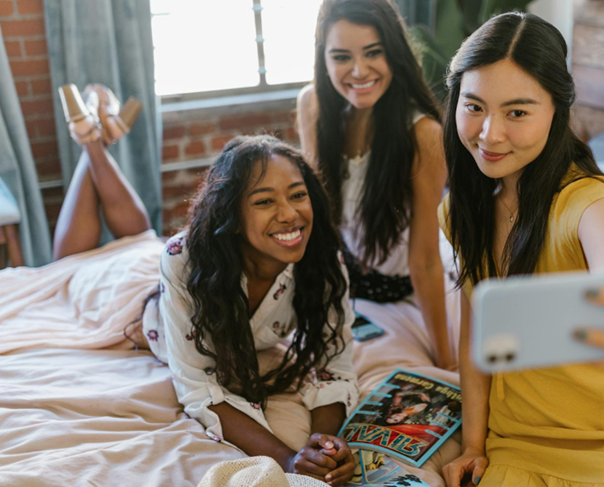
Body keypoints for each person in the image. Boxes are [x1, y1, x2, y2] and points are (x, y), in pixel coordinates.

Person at [1, 89, 360, 485]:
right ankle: (92, 142)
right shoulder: (184, 259)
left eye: (298, 195)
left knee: (138, 234)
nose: (290, 214)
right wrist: (288, 460)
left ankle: (93, 137)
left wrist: (322, 445)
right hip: (127, 291)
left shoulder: (321, 257)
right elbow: (197, 389)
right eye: (264, 202)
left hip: (158, 260)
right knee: (78, 261)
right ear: (233, 215)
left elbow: (334, 363)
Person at [439, 13, 604, 487]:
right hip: (519, 438)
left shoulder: (590, 201)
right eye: (474, 106)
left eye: (517, 112)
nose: (490, 133)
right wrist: (474, 443)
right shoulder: (463, 209)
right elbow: (476, 337)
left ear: (557, 111)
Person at [296, 0, 456, 370]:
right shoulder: (313, 106)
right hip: (341, 278)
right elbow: (316, 218)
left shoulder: (423, 135)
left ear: (394, 54)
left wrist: (445, 360)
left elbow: (424, 261)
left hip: (405, 291)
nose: (359, 71)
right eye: (341, 57)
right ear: (324, 59)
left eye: (373, 52)